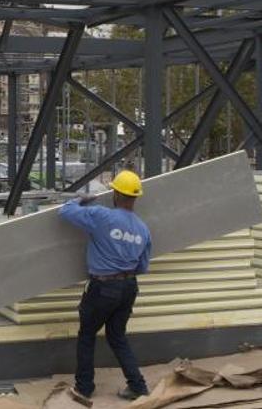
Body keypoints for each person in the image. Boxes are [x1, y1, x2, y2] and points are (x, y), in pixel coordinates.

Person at [57, 169, 152, 405]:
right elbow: (142, 266)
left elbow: (65, 211)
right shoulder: (143, 229)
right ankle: (138, 386)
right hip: (129, 287)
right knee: (117, 336)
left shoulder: (101, 216)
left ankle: (84, 388)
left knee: (87, 336)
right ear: (135, 197)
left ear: (116, 194)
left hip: (103, 288)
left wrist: (81, 200)